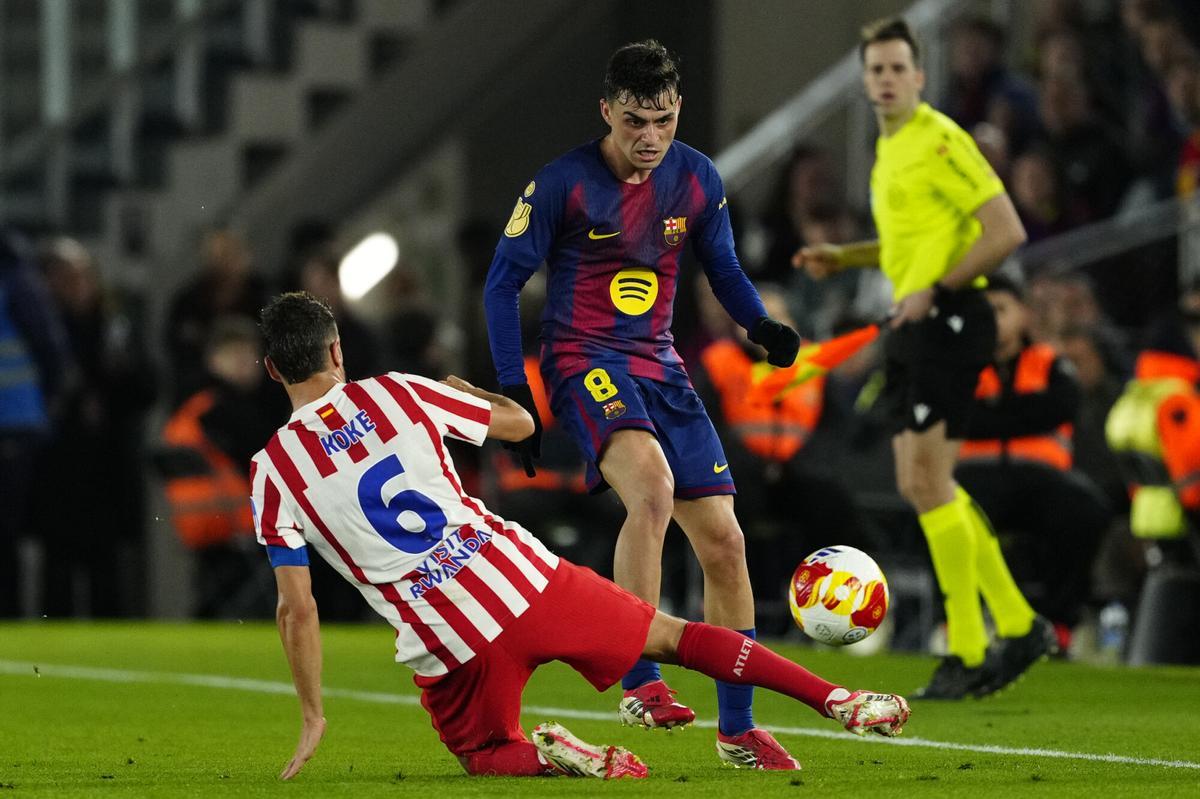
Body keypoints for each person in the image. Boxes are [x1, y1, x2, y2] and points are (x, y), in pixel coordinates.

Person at [252, 291, 910, 780]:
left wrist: (312, 711)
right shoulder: (398, 393)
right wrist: (468, 390)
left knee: (487, 753)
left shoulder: (273, 471)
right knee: (675, 635)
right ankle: (840, 697)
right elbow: (515, 423)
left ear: (273, 370)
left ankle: (552, 754)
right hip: (523, 578)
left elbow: (297, 607)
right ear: (338, 350)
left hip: (449, 638)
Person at [482, 39, 804, 768]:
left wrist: (760, 326)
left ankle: (737, 729)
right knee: (652, 489)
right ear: (607, 110)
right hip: (581, 360)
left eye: (661, 118)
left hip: (661, 365)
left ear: (677, 108)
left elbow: (720, 265)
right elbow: (502, 283)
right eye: (634, 120)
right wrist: (514, 387)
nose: (649, 136)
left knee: (725, 542)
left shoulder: (696, 179)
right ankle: (640, 674)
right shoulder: (562, 183)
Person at [794, 17, 1055, 700]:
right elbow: (910, 243)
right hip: (918, 322)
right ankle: (1020, 624)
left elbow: (1006, 230)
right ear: (866, 81)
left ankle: (970, 645)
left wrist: (936, 290)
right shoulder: (891, 152)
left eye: (895, 68)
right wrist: (844, 257)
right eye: (874, 69)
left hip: (949, 317)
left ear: (919, 76)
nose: (884, 79)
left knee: (929, 482)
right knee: (921, 483)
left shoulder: (940, 138)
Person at [955, 274, 1112, 648]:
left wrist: (992, 413)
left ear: (1023, 314)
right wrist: (1021, 413)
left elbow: (1062, 406)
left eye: (1000, 309)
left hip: (1044, 479)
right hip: (977, 478)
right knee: (945, 519)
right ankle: (959, 622)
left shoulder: (1049, 363)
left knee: (1086, 512)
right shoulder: (959, 365)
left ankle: (1058, 621)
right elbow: (961, 417)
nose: (992, 320)